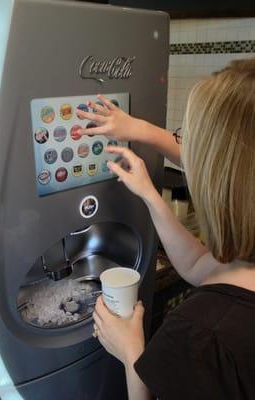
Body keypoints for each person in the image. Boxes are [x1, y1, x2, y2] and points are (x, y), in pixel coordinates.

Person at [76, 58, 255, 400]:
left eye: (188, 142)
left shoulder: (200, 337)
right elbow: (197, 267)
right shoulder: (235, 277)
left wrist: (132, 354)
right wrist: (149, 194)